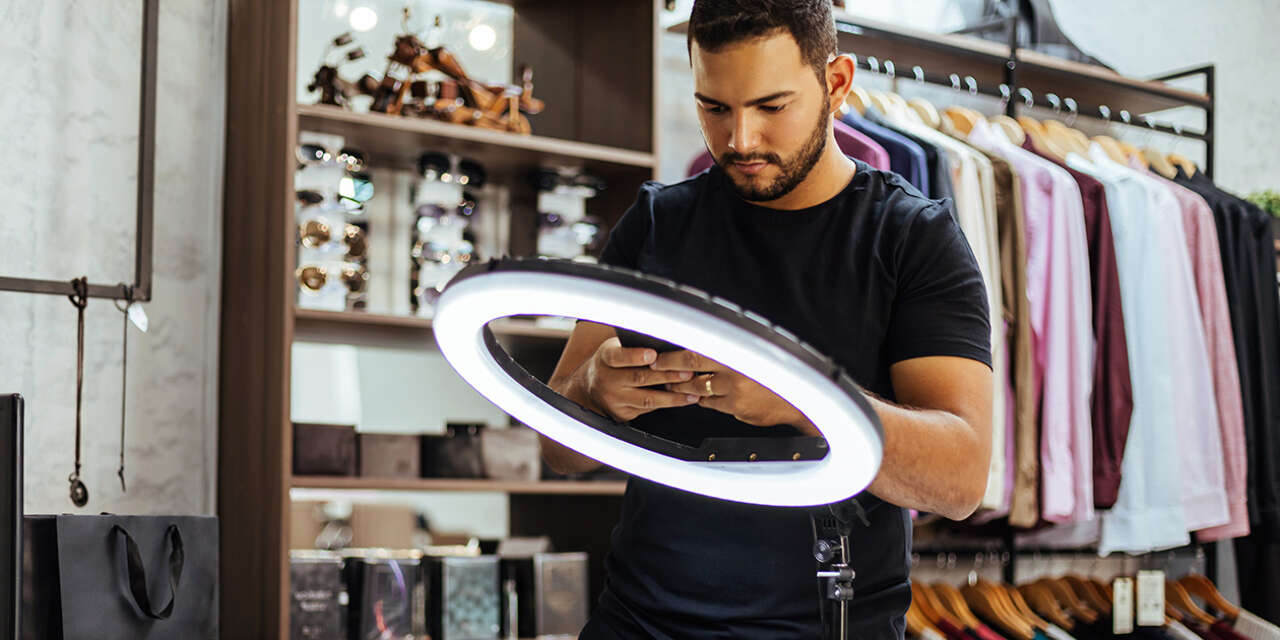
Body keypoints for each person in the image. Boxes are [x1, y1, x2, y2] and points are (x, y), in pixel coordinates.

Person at [542, 1, 994, 637]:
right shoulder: (655, 225)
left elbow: (959, 480)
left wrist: (802, 398)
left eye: (770, 107)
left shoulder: (912, 239)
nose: (740, 140)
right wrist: (594, 392)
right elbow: (557, 450)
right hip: (639, 623)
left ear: (836, 83)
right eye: (714, 108)